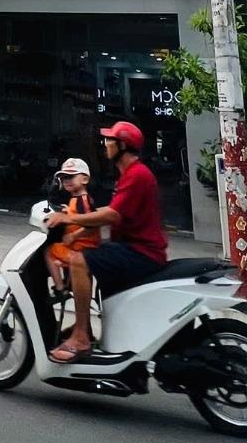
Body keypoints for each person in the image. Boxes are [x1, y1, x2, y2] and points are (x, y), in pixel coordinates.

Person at [46, 121, 168, 363]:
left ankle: (81, 337)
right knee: (91, 255)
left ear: (122, 146)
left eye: (110, 140)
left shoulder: (137, 175)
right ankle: (85, 328)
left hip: (142, 252)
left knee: (79, 260)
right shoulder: (129, 175)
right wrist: (71, 218)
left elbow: (112, 215)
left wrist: (69, 218)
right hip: (131, 247)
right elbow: (110, 210)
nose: (105, 144)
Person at [45, 158, 95, 293]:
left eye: (70, 176)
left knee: (49, 252)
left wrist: (73, 236)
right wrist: (68, 211)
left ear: (85, 179)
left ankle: (60, 288)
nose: (66, 180)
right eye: (63, 177)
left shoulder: (82, 201)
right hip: (79, 246)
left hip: (81, 247)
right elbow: (78, 215)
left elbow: (91, 224)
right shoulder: (78, 199)